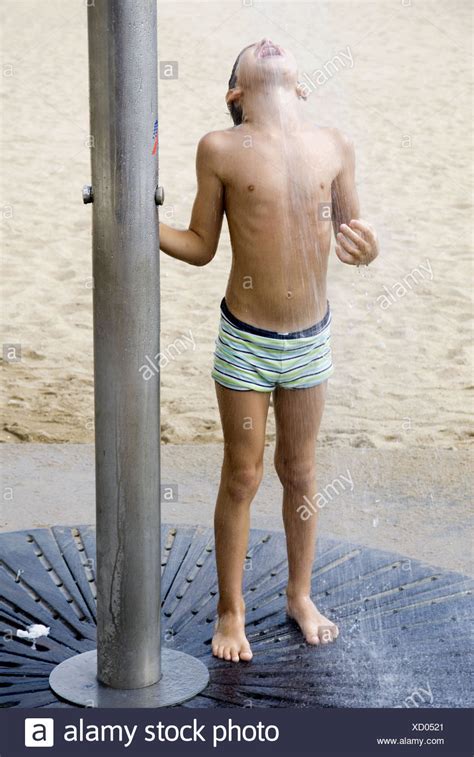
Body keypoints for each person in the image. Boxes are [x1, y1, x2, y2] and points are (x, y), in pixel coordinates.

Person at [159, 38, 379, 663]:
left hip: (310, 341)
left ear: (302, 86)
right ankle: (231, 611)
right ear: (237, 94)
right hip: (247, 342)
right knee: (243, 474)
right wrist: (137, 223)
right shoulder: (221, 147)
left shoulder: (334, 144)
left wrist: (368, 249)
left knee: (301, 472)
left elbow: (353, 233)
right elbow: (203, 245)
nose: (266, 45)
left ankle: (300, 595)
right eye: (246, 58)